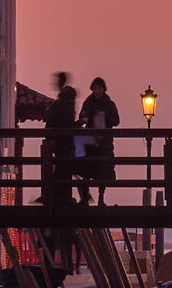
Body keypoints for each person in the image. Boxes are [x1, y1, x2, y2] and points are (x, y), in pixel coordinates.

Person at [78, 77, 120, 205]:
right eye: (95, 88)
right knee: (86, 169)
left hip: (104, 144)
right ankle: (85, 197)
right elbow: (82, 117)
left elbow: (116, 121)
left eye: (99, 88)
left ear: (103, 89)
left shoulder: (110, 104)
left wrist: (104, 116)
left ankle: (101, 197)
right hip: (90, 143)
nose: (97, 91)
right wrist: (89, 114)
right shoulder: (88, 103)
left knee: (103, 170)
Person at [43, 72, 79, 205]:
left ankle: (57, 198)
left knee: (61, 170)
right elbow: (67, 121)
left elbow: (58, 120)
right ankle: (64, 198)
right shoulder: (68, 101)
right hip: (67, 142)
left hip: (61, 142)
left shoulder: (62, 101)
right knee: (65, 171)